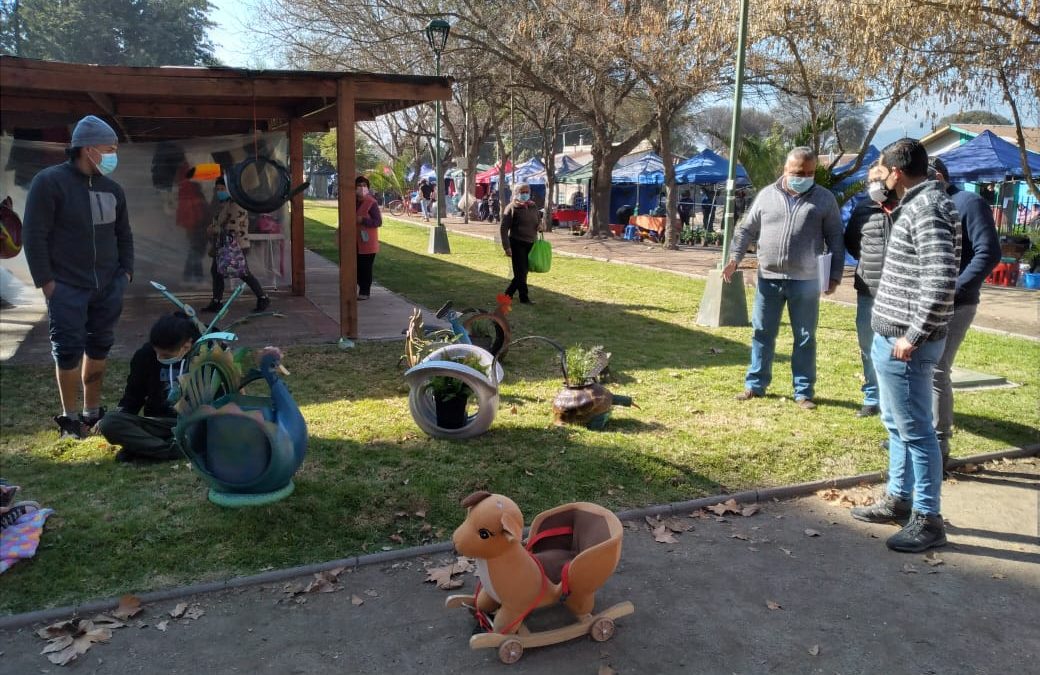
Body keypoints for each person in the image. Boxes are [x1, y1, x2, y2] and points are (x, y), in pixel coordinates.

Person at [850, 138, 961, 553]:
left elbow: (939, 279)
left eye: (883, 170)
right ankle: (899, 498)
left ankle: (928, 519)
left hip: (907, 342)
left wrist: (913, 336)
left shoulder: (929, 207)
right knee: (897, 425)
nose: (879, 177)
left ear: (896, 172)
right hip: (891, 336)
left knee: (916, 430)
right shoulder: (915, 202)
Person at [22, 115, 134, 439]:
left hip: (108, 286)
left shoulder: (113, 189)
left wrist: (124, 273)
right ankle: (69, 418)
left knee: (99, 346)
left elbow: (123, 234)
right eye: (109, 148)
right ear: (88, 149)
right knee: (68, 349)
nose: (114, 155)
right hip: (66, 286)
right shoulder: (50, 182)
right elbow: (34, 235)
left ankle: (91, 412)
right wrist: (47, 282)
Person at [723, 146, 844, 410]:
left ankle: (803, 391)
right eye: (799, 172)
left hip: (806, 281)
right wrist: (734, 259)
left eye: (810, 172)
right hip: (768, 278)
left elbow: (836, 237)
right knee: (762, 332)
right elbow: (746, 229)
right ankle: (755, 385)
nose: (804, 177)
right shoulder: (766, 196)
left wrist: (834, 275)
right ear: (786, 170)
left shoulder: (824, 199)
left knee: (804, 337)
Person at [927, 157, 1001, 469]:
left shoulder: (968, 203)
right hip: (928, 302)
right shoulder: (931, 205)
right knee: (920, 369)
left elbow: (989, 252)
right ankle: (919, 437)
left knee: (936, 369)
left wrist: (956, 288)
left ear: (939, 176)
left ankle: (939, 445)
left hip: (957, 303)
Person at [96, 312, 200, 462]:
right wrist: (121, 416)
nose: (160, 358)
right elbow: (133, 396)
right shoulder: (145, 354)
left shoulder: (205, 353)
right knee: (110, 422)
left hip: (196, 423)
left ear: (187, 345)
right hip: (160, 424)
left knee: (213, 430)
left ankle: (148, 450)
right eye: (157, 352)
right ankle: (172, 451)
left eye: (166, 355)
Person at [844, 162, 897, 418]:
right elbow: (852, 243)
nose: (875, 183)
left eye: (880, 178)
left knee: (897, 348)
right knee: (868, 346)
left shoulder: (906, 208)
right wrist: (870, 264)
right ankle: (871, 396)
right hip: (868, 290)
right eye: (871, 179)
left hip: (898, 294)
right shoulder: (863, 209)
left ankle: (892, 399)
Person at [202, 176, 270, 314]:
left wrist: (214, 229)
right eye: (218, 189)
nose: (220, 191)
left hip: (236, 245)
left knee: (244, 273)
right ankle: (216, 301)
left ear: (230, 189)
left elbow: (234, 227)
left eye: (223, 189)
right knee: (216, 272)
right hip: (225, 245)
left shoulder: (235, 204)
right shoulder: (227, 203)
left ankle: (263, 297)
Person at [501, 182, 542, 304]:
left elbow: (538, 221)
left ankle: (508, 293)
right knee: (521, 272)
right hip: (517, 243)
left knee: (522, 272)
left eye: (527, 192)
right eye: (522, 192)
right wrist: (506, 247)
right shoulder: (511, 208)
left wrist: (540, 226)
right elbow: (503, 229)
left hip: (531, 243)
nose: (525, 194)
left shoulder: (533, 206)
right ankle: (524, 298)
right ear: (516, 193)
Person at [355, 175, 382, 300]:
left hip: (367, 242)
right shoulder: (351, 201)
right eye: (359, 185)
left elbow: (378, 222)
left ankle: (365, 291)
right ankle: (359, 287)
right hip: (354, 241)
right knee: (356, 267)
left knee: (365, 268)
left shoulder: (371, 202)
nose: (362, 188)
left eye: (364, 186)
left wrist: (363, 220)